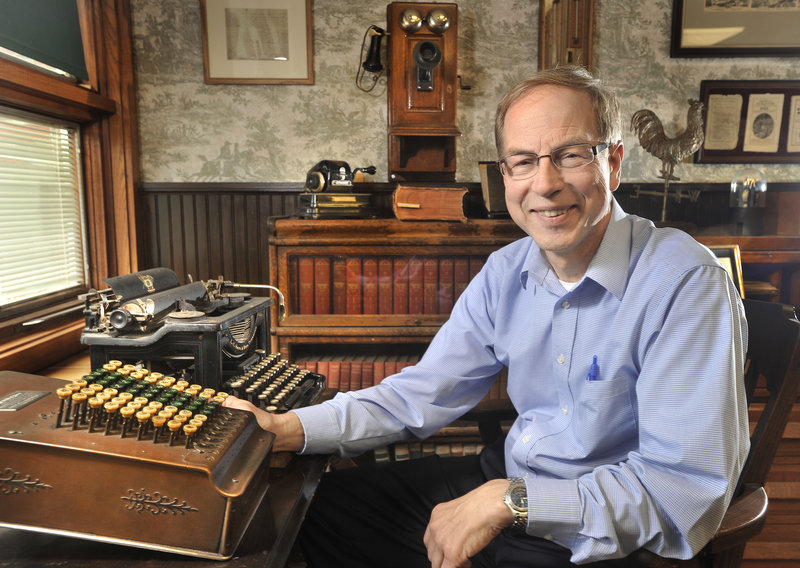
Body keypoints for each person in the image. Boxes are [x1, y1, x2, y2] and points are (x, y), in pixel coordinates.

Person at [224, 66, 749, 568]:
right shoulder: (507, 270)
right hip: (512, 475)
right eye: (523, 161)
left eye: (569, 155)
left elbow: (681, 492)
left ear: (613, 163)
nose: (544, 184)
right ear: (505, 176)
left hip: (603, 531)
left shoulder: (686, 283)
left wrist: (512, 502)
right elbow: (420, 394)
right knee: (322, 509)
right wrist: (285, 428)